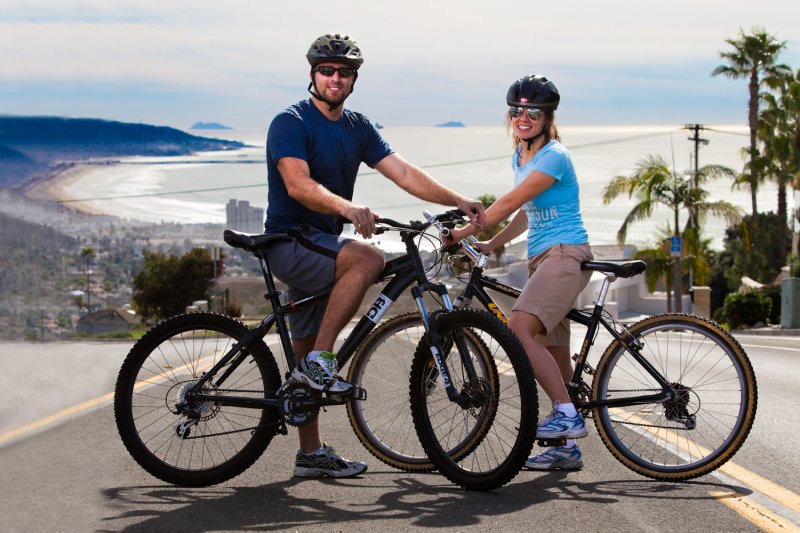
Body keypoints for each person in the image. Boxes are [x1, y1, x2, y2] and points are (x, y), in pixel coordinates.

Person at [264, 33, 486, 479]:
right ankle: (321, 366)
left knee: (305, 346)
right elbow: (297, 184)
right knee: (366, 260)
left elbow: (403, 172)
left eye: (344, 73)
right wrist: (347, 208)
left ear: (353, 80)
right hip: (291, 241)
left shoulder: (358, 127)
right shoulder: (290, 122)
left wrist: (459, 200)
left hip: (323, 248)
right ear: (313, 75)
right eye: (327, 70)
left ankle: (310, 453)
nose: (335, 78)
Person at [445, 74, 593, 471]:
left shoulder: (554, 156)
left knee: (520, 328)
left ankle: (566, 413)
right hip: (543, 260)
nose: (523, 117)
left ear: (547, 117)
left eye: (533, 112)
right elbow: (526, 213)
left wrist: (459, 231)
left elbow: (509, 201)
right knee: (556, 356)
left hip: (564, 256)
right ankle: (565, 448)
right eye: (517, 110)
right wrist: (490, 245)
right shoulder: (521, 156)